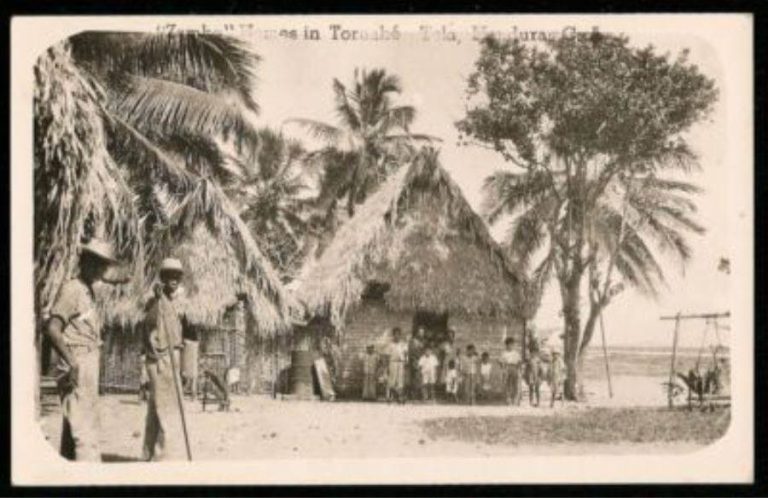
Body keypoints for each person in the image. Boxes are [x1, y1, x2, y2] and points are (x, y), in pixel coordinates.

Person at [45, 239, 118, 461]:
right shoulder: (72, 289)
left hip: (87, 358)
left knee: (74, 426)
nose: (100, 269)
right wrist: (72, 361)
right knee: (86, 433)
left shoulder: (87, 291)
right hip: (76, 358)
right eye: (95, 263)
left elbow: (115, 278)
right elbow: (52, 328)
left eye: (103, 264)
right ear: (84, 262)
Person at [142, 257, 189, 461]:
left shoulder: (170, 303)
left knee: (156, 411)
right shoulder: (156, 302)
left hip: (172, 358)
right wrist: (156, 297)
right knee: (167, 412)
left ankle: (148, 455)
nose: (174, 280)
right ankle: (163, 460)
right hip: (161, 359)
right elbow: (148, 325)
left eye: (177, 276)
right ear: (163, 277)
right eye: (170, 275)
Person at [387, 328, 408, 404]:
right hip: (393, 362)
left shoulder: (403, 344)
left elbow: (405, 354)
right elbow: (388, 355)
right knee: (392, 380)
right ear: (393, 335)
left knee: (400, 381)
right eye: (395, 334)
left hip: (401, 363)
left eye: (398, 334)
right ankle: (391, 397)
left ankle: (400, 397)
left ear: (400, 335)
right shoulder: (390, 344)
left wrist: (405, 362)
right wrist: (387, 366)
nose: (397, 336)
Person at [500, 337, 522, 405]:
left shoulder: (516, 353)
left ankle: (515, 399)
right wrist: (503, 369)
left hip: (514, 368)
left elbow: (519, 362)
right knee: (507, 384)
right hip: (507, 368)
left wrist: (518, 370)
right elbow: (501, 362)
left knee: (515, 384)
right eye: (509, 344)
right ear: (506, 345)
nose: (510, 346)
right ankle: (508, 399)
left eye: (512, 344)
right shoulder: (504, 353)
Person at [181, 325, 200, 400]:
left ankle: (185, 393)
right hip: (193, 360)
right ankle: (193, 395)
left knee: (188, 378)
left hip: (187, 360)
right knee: (193, 378)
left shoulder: (186, 342)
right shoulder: (195, 343)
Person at [408, 327, 426, 400]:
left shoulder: (422, 342)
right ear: (417, 333)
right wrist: (414, 361)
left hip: (421, 361)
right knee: (415, 378)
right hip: (415, 361)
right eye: (420, 332)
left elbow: (423, 352)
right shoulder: (413, 341)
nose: (422, 334)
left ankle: (419, 395)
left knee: (420, 378)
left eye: (423, 332)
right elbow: (411, 352)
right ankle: (413, 395)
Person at [524, 340, 543, 407]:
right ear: (530, 353)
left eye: (535, 352)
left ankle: (538, 402)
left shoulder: (539, 361)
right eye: (532, 352)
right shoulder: (529, 361)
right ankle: (531, 402)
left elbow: (541, 370)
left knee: (537, 390)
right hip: (531, 377)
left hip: (537, 376)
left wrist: (541, 378)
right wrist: (526, 377)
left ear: (537, 353)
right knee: (531, 389)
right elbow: (526, 370)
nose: (533, 354)